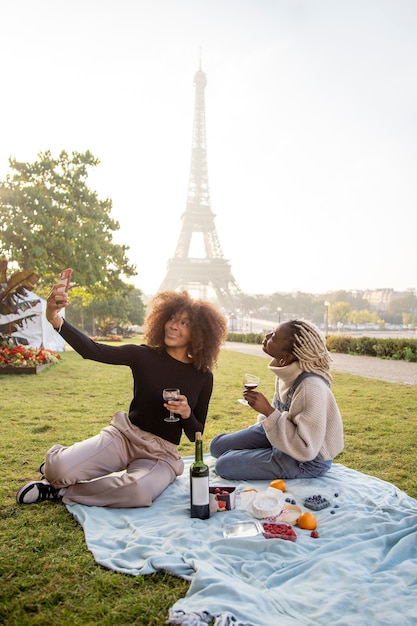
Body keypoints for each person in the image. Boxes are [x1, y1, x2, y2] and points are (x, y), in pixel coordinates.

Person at [16, 288, 227, 508]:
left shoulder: (203, 377)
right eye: (172, 318)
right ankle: (62, 461)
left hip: (160, 454)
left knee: (137, 492)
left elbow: (195, 435)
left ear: (199, 333)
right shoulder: (143, 355)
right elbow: (94, 350)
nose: (173, 325)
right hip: (124, 437)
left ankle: (60, 492)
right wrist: (54, 319)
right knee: (58, 469)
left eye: (184, 323)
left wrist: (186, 413)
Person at [210, 319, 344, 480]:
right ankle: (263, 454)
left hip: (306, 460)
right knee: (217, 446)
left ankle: (263, 457)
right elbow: (278, 416)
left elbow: (306, 449)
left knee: (225, 465)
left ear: (286, 357)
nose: (267, 336)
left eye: (273, 336)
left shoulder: (311, 387)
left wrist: (267, 410)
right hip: (282, 434)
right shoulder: (286, 371)